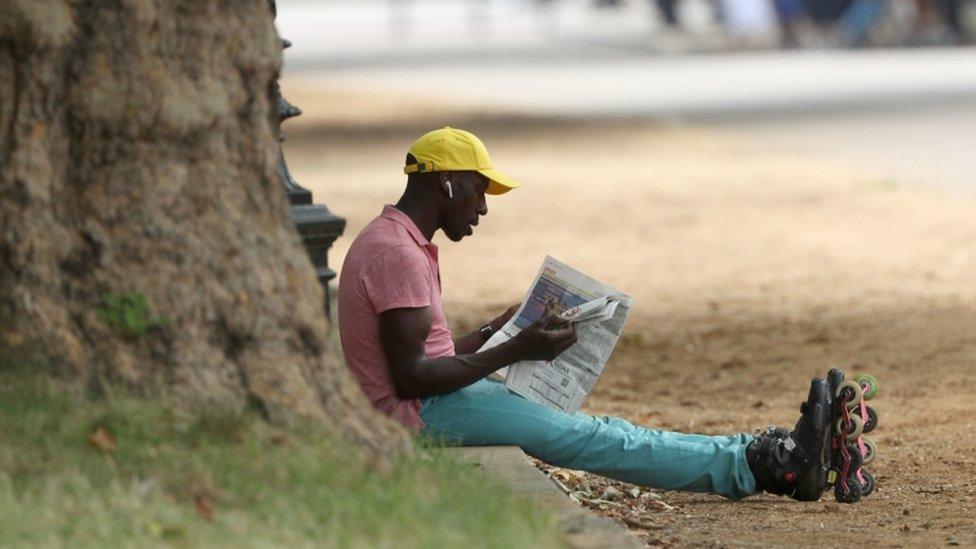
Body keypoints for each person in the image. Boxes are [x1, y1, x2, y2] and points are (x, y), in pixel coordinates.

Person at [337, 127, 833, 501]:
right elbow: (411, 378)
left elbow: (428, 354)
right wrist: (517, 348)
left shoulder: (394, 239)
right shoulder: (397, 254)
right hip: (419, 417)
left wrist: (498, 329)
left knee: (606, 429)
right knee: (584, 438)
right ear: (446, 181)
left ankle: (764, 453)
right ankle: (766, 467)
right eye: (479, 190)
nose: (483, 208)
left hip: (433, 402)